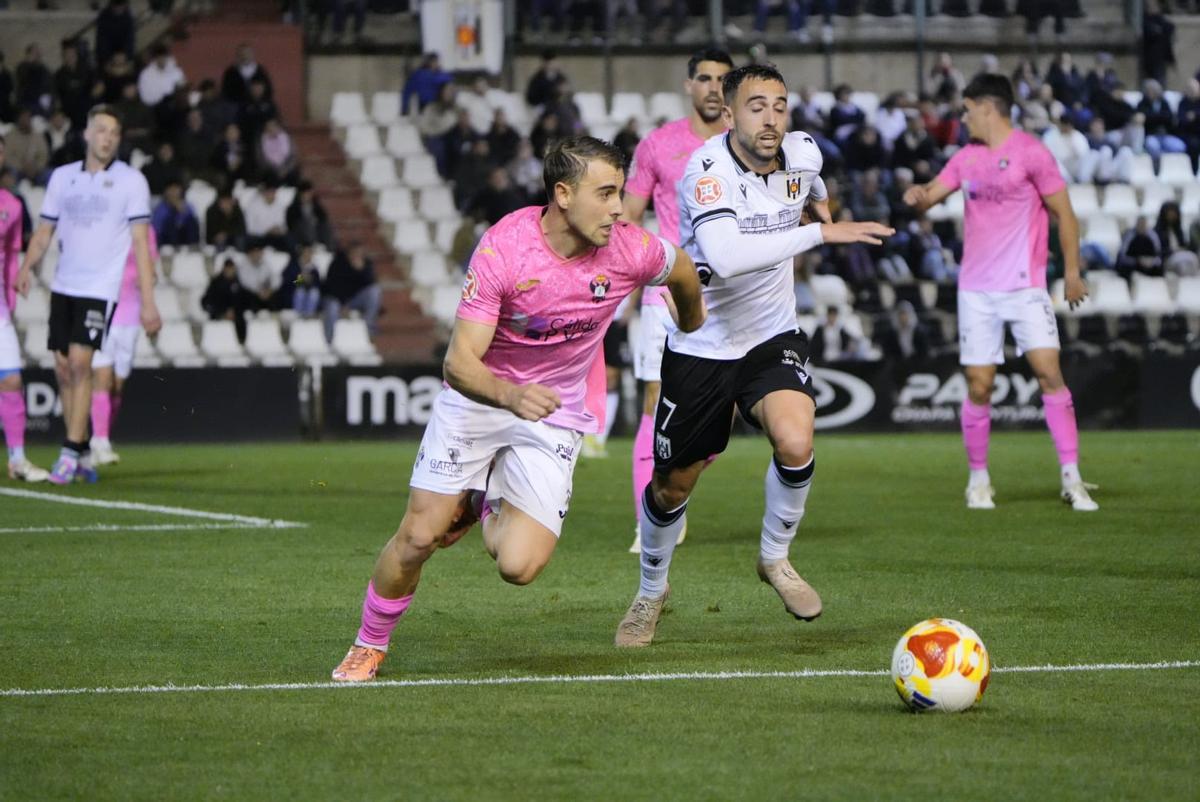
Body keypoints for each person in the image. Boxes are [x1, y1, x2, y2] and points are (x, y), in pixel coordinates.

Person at [329, 136, 707, 682]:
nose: (619, 208)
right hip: (479, 399)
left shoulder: (628, 248)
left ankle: (485, 501)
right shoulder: (506, 247)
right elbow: (458, 363)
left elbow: (682, 268)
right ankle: (369, 643)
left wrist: (692, 326)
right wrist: (510, 396)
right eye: (604, 194)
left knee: (519, 567)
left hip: (552, 412)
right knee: (418, 536)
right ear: (562, 193)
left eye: (620, 193)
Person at [613, 64, 892, 648]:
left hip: (772, 334)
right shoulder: (706, 171)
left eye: (780, 106)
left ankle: (775, 559)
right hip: (703, 343)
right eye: (757, 106)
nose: (771, 119)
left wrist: (822, 212)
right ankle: (651, 590)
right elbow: (728, 254)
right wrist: (821, 236)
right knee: (672, 486)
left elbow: (815, 188)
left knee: (796, 440)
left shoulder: (804, 153)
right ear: (730, 113)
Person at [903, 74, 1098, 512]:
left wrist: (1071, 271)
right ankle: (978, 480)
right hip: (976, 290)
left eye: (967, 110)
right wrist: (918, 196)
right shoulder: (966, 157)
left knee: (1049, 374)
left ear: (986, 108)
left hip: (1025, 287)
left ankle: (1072, 476)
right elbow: (932, 195)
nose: (964, 118)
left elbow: (1064, 215)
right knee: (979, 384)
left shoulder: (1032, 152)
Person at [620, 47, 734, 553]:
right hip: (664, 292)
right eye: (704, 78)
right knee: (653, 400)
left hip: (730, 295)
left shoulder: (747, 145)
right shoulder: (657, 145)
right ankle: (649, 518)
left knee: (724, 412)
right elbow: (625, 220)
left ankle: (672, 486)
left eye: (721, 80)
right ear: (689, 85)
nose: (712, 87)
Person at [15, 104, 162, 484]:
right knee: (63, 369)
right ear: (86, 134)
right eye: (101, 130)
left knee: (82, 363)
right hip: (64, 285)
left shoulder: (132, 182)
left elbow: (142, 246)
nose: (107, 137)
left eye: (113, 132)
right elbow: (45, 231)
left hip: (100, 290)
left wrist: (148, 302)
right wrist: (26, 266)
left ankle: (68, 452)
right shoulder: (63, 178)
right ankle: (79, 452)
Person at [0, 136, 50, 481]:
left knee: (13, 380)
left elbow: (10, 257)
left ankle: (17, 459)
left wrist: (13, 293)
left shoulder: (12, 205)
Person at [89, 227, 159, 465]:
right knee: (102, 378)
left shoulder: (147, 231)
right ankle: (101, 440)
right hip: (104, 311)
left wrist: (149, 279)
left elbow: (152, 269)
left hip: (130, 316)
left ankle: (100, 439)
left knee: (117, 386)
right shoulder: (106, 224)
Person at [322, 241, 381, 341]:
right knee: (332, 307)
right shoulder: (337, 263)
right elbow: (332, 286)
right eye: (354, 253)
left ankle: (368, 328)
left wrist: (362, 270)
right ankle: (329, 340)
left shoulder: (366, 264)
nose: (356, 256)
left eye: (360, 253)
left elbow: (370, 283)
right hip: (336, 299)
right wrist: (343, 304)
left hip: (353, 300)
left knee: (374, 291)